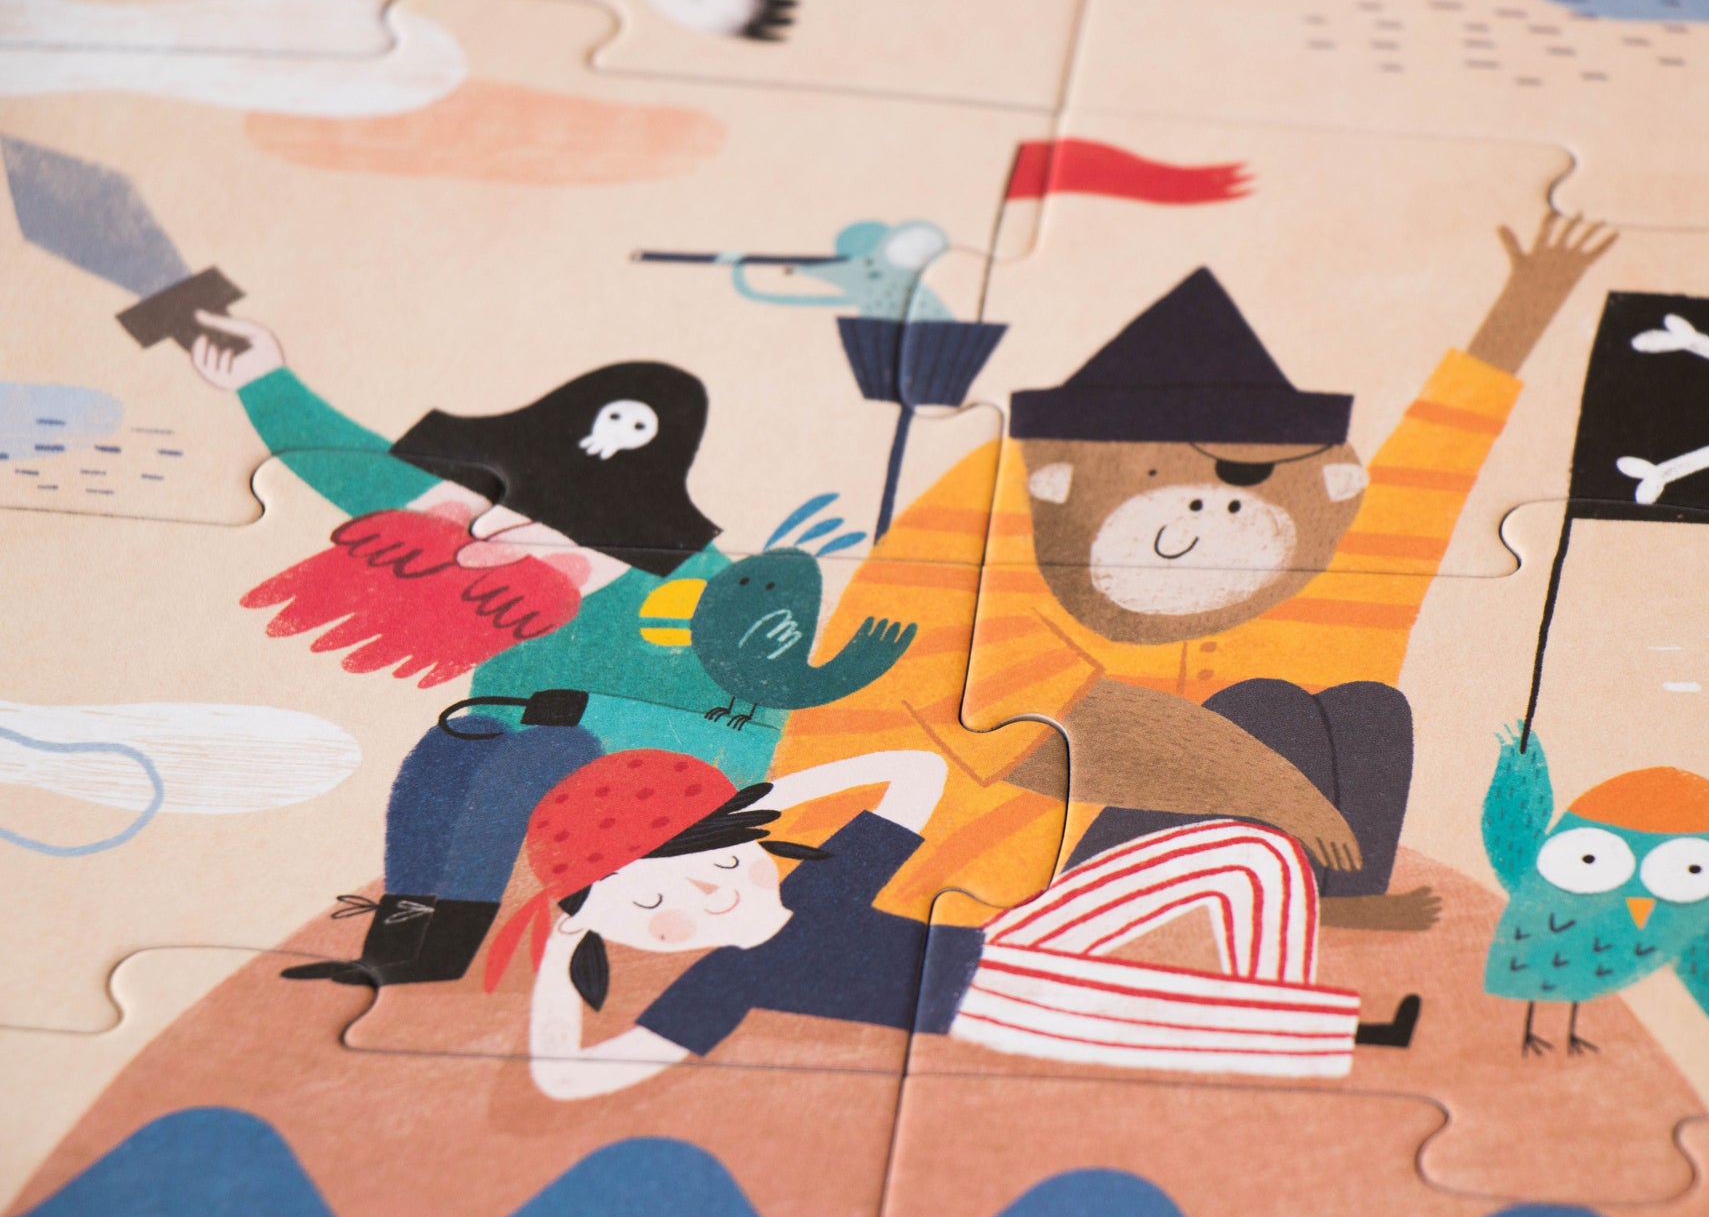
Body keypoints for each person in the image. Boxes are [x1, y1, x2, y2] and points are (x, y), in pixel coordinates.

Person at [767, 215, 1617, 930]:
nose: (1217, 512)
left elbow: (1418, 495)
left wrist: (1521, 315)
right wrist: (1282, 794)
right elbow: (1032, 723)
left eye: (1252, 482)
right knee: (1259, 712)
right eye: (1181, 475)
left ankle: (1333, 903)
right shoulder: (987, 511)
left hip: (1155, 854)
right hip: (916, 871)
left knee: (1362, 705)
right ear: (1061, 477)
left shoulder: (1306, 562)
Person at [188, 313, 778, 985]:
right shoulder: (483, 511)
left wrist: (597, 711)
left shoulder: (685, 571)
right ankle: (400, 945)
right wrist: (263, 379)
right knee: (446, 757)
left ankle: (443, 949)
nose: (488, 535)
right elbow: (359, 472)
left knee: (520, 763)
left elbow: (753, 702)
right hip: (524, 720)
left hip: (670, 754)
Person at [504, 748, 1421, 1100]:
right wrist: (565, 947)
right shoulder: (725, 982)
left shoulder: (824, 883)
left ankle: (1283, 1015)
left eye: (714, 861)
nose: (703, 898)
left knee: (1246, 852)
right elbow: (570, 1078)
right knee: (1149, 1007)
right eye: (649, 906)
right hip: (985, 1004)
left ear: (750, 837)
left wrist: (773, 794)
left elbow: (916, 773)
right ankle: (1355, 1038)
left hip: (1007, 939)